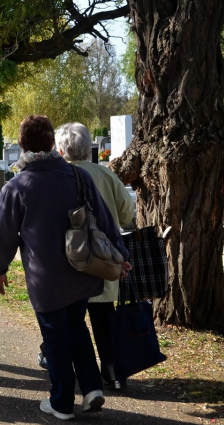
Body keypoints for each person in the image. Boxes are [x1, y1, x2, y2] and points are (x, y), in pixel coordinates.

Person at [0, 115, 131, 420]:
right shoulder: (78, 177)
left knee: (54, 337)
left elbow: (6, 235)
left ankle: (62, 401)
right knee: (77, 327)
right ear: (53, 144)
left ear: (23, 144)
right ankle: (92, 387)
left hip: (45, 279)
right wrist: (120, 252)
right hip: (81, 270)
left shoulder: (17, 186)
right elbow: (105, 219)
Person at [50, 122, 135, 391]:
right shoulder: (106, 176)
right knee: (104, 321)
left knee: (68, 321)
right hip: (104, 259)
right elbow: (127, 214)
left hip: (71, 259)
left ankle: (67, 372)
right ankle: (113, 375)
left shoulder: (60, 176)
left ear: (61, 149)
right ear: (90, 148)